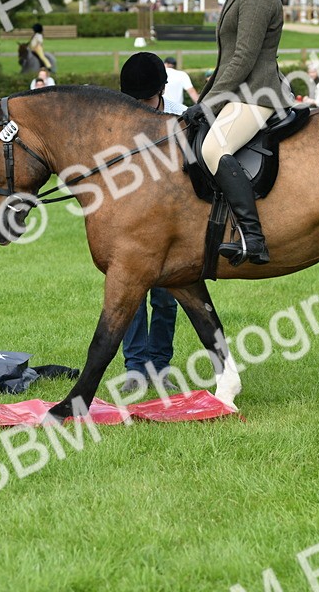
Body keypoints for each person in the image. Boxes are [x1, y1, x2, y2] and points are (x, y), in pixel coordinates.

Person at [182, 0, 288, 266]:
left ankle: (253, 238)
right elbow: (227, 60)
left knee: (214, 148)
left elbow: (242, 58)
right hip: (239, 93)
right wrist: (202, 102)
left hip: (256, 95)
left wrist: (211, 102)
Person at [117, 52, 186, 391]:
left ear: (161, 90)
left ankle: (159, 365)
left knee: (165, 297)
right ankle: (134, 368)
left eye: (146, 99)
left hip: (169, 223)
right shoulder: (119, 118)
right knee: (130, 296)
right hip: (131, 222)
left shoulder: (182, 118)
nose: (141, 106)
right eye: (136, 100)